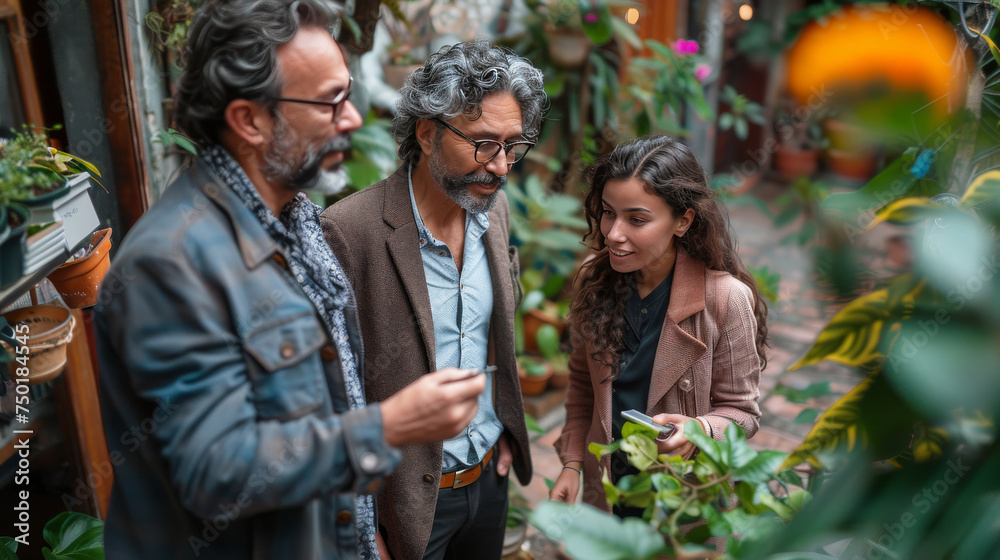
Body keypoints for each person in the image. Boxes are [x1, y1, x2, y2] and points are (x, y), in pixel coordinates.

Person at [95, 2, 487, 558]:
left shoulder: (295, 222)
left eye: (346, 93)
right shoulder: (170, 266)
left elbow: (330, 398)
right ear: (249, 121)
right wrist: (390, 426)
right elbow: (216, 474)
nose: (353, 117)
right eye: (330, 102)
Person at [321, 41, 546, 560]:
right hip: (404, 504)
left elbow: (495, 340)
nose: (502, 166)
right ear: (427, 132)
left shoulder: (495, 208)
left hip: (490, 478)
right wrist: (358, 521)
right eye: (485, 143)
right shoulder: (348, 231)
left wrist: (503, 425)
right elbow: (332, 389)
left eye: (514, 146)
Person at [549, 135, 767, 515]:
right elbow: (583, 383)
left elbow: (742, 413)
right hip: (609, 491)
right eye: (607, 212)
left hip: (682, 502)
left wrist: (701, 429)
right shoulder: (593, 279)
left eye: (637, 219)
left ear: (683, 221)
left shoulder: (725, 299)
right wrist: (571, 463)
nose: (613, 234)